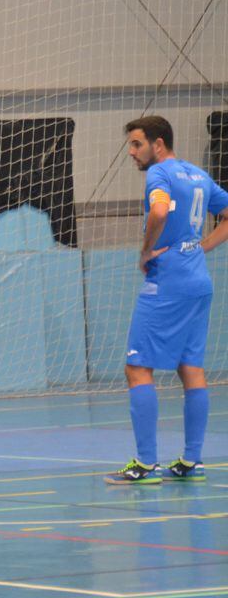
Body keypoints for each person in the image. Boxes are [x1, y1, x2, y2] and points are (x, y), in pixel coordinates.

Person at [106, 115, 228, 485]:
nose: (132, 152)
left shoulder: (159, 175)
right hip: (197, 281)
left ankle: (145, 465)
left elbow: (158, 211)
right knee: (190, 367)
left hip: (168, 282)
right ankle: (192, 461)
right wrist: (201, 247)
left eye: (137, 144)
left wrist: (146, 252)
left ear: (159, 145)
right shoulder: (197, 175)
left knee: (137, 367)